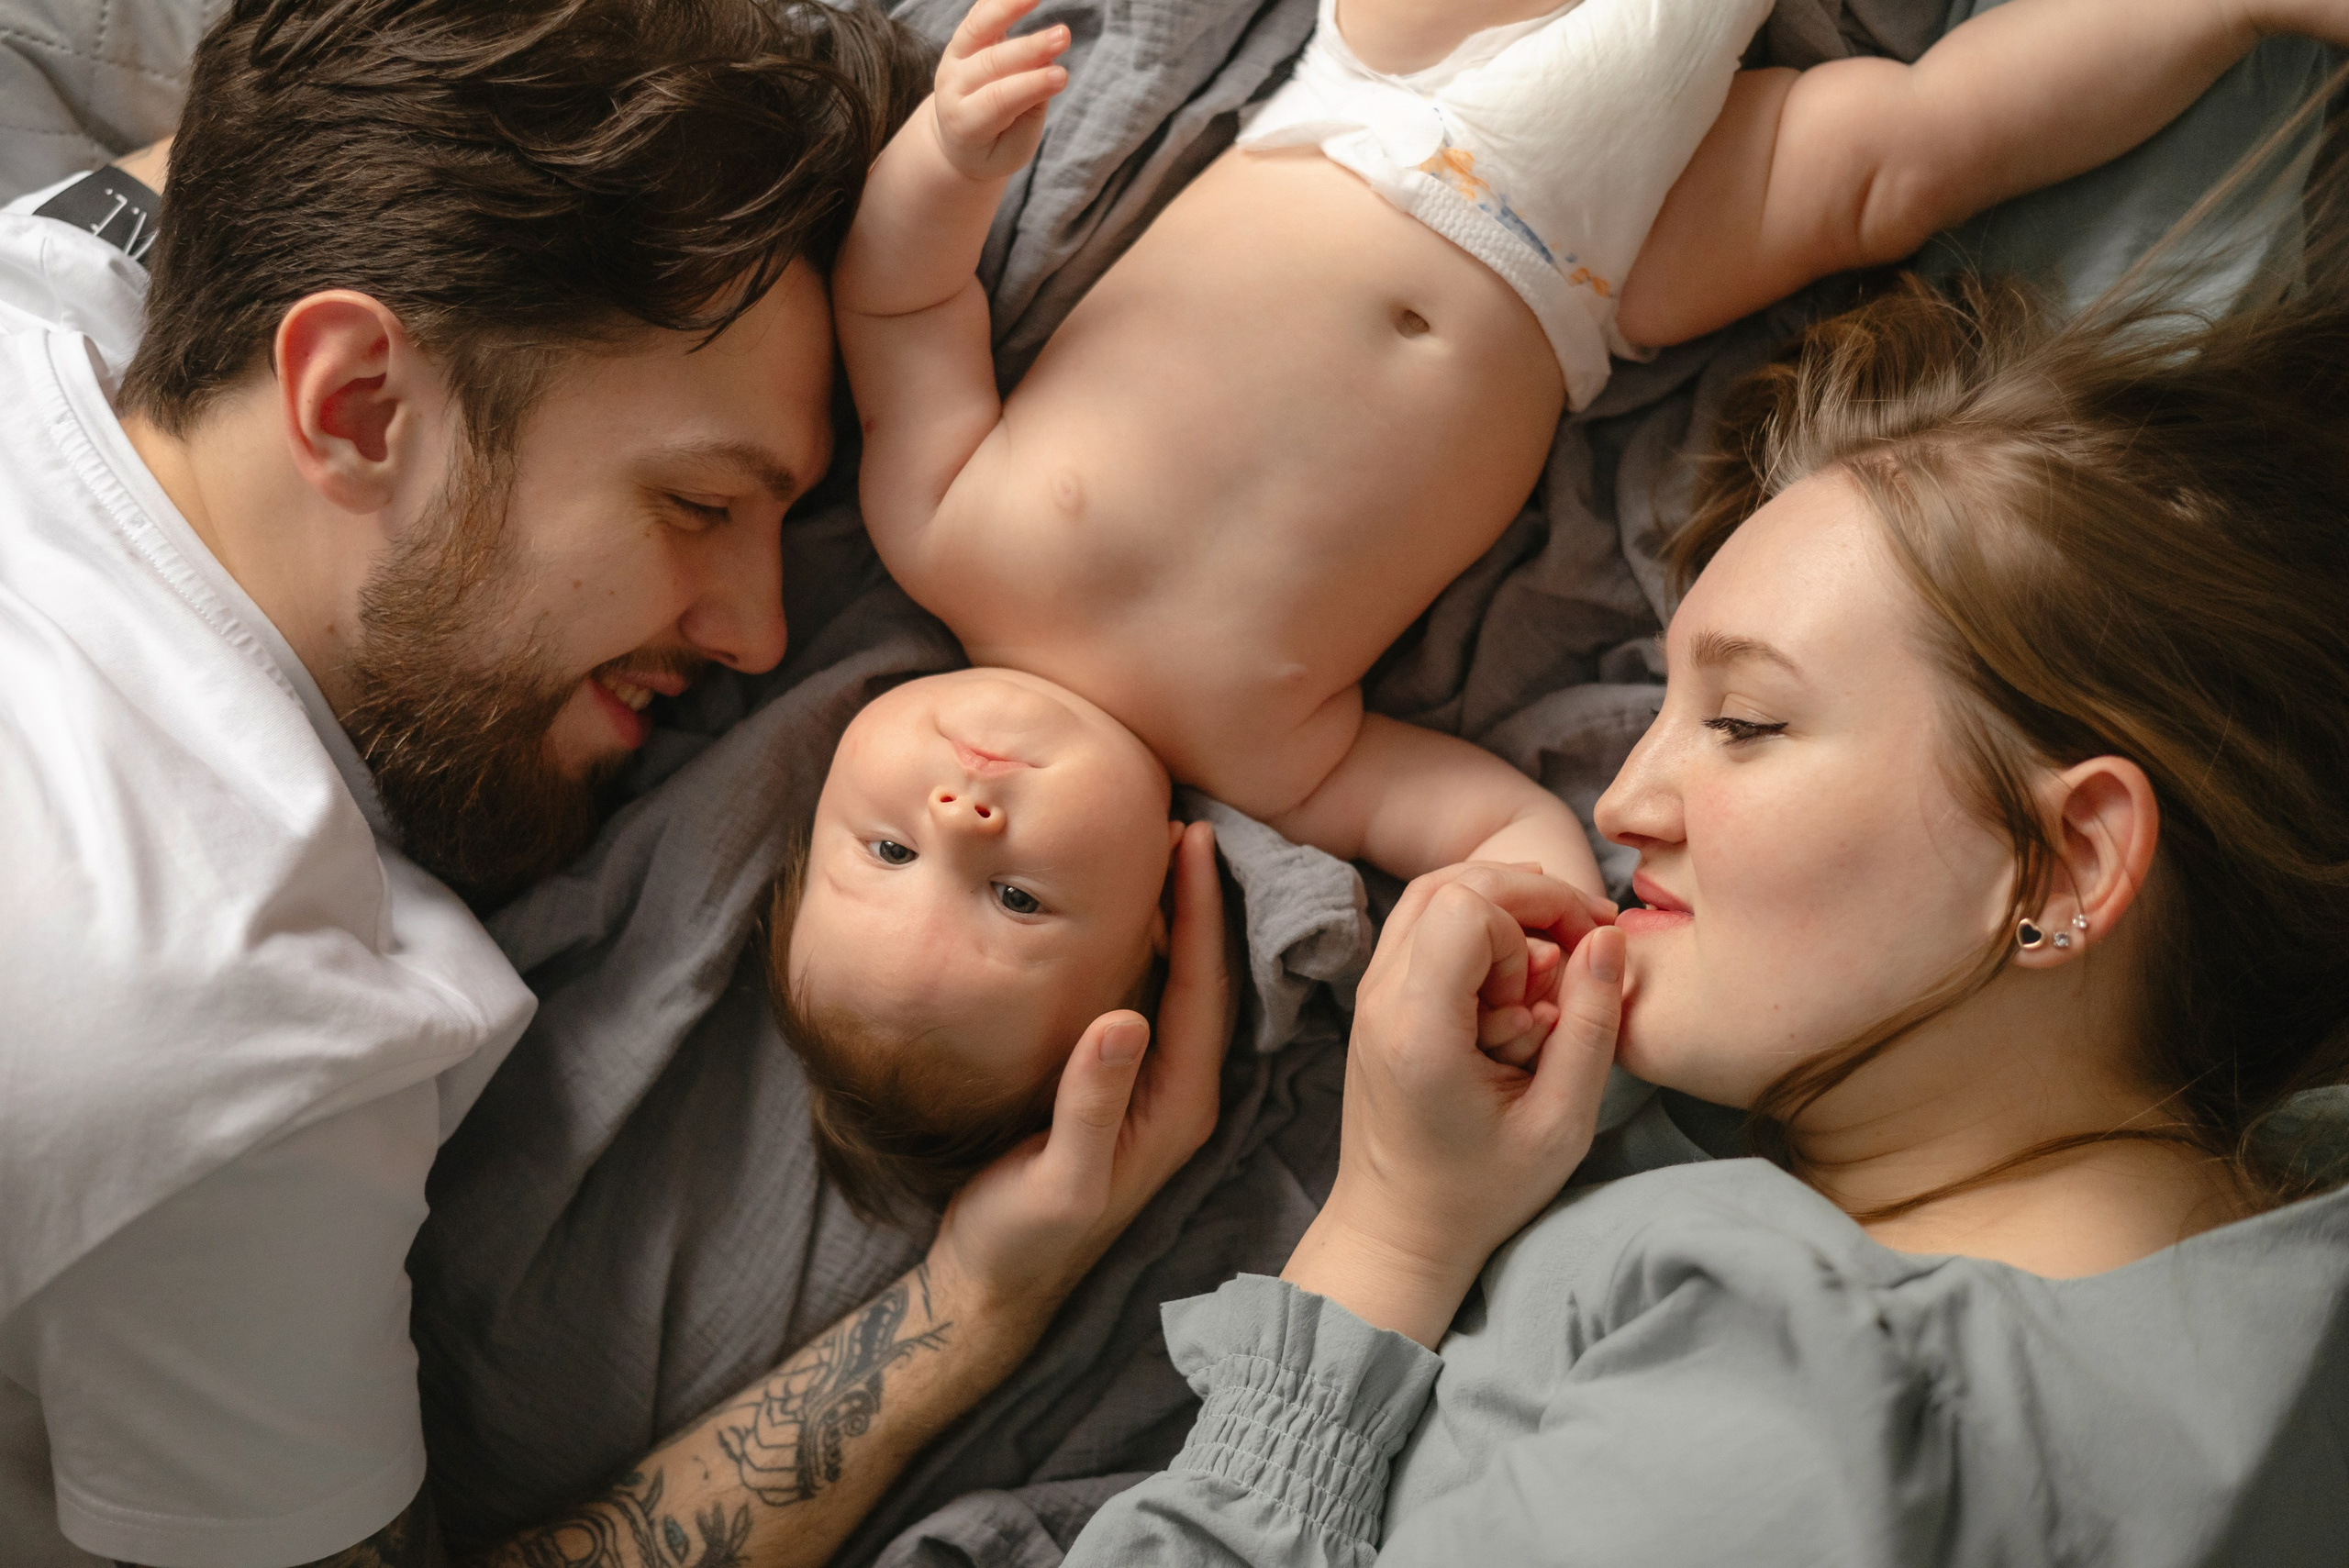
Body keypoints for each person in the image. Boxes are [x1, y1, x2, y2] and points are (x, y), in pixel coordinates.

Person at [0, 2, 1232, 1565]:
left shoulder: (71, 273)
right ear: (357, 404)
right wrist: (975, 1301)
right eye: (699, 502)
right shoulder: (220, 1037)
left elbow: (316, 101)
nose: (761, 631)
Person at [775, 0, 2349, 1215]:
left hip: (1378, 103)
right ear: (1153, 931)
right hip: (1594, 277)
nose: (967, 813)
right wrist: (1526, 944)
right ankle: (2230, 17)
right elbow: (1492, 828)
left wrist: (942, 168)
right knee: (1897, 159)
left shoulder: (939, 532)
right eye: (1016, 903)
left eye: (890, 847)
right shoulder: (1283, 763)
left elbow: (902, 302)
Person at [1055, 218, 2349, 1562]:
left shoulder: (1773, 1391)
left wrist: (1389, 1228)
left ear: (2062, 862)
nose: (1620, 805)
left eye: (1742, 721)